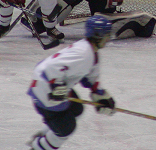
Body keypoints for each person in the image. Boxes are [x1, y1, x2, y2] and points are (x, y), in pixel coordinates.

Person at [26, 14, 116, 150]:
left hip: (50, 84)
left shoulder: (90, 51)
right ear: (97, 36)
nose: (108, 38)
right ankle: (37, 147)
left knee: (75, 108)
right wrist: (55, 86)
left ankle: (45, 135)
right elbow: (49, 68)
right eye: (105, 35)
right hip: (44, 88)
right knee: (65, 128)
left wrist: (101, 96)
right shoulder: (83, 53)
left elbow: (90, 78)